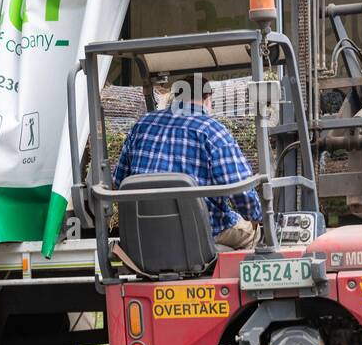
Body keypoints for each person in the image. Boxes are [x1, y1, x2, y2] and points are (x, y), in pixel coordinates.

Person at [112, 79, 262, 250]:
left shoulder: (141, 125)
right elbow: (240, 188)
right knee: (254, 234)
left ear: (176, 97)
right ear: (207, 98)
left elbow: (119, 181)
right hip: (201, 231)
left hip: (143, 232)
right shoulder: (213, 132)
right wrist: (255, 216)